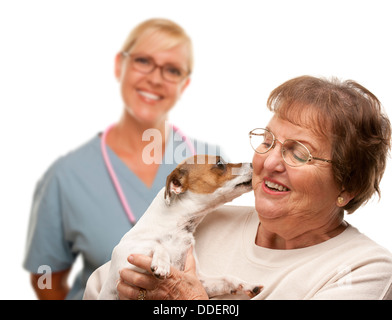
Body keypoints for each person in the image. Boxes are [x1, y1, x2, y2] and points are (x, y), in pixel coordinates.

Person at [84, 75, 392, 300]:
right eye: (267, 141)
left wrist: (190, 301)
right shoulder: (204, 220)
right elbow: (101, 286)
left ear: (347, 186)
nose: (269, 162)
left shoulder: (366, 270)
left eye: (299, 153)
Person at [23, 18, 223, 300]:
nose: (155, 78)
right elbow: (45, 275)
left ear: (184, 83)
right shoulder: (67, 175)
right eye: (143, 61)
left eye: (172, 70)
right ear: (120, 65)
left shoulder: (214, 166)